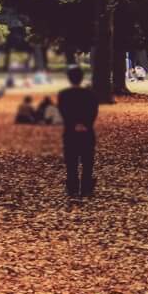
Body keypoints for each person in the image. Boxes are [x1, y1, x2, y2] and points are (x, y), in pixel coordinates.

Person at [55, 66, 101, 197]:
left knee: (71, 161)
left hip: (70, 132)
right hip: (87, 131)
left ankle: (72, 187)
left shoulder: (63, 94)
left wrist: (73, 124)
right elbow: (93, 111)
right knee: (87, 161)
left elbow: (63, 112)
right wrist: (85, 123)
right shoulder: (90, 94)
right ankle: (86, 187)